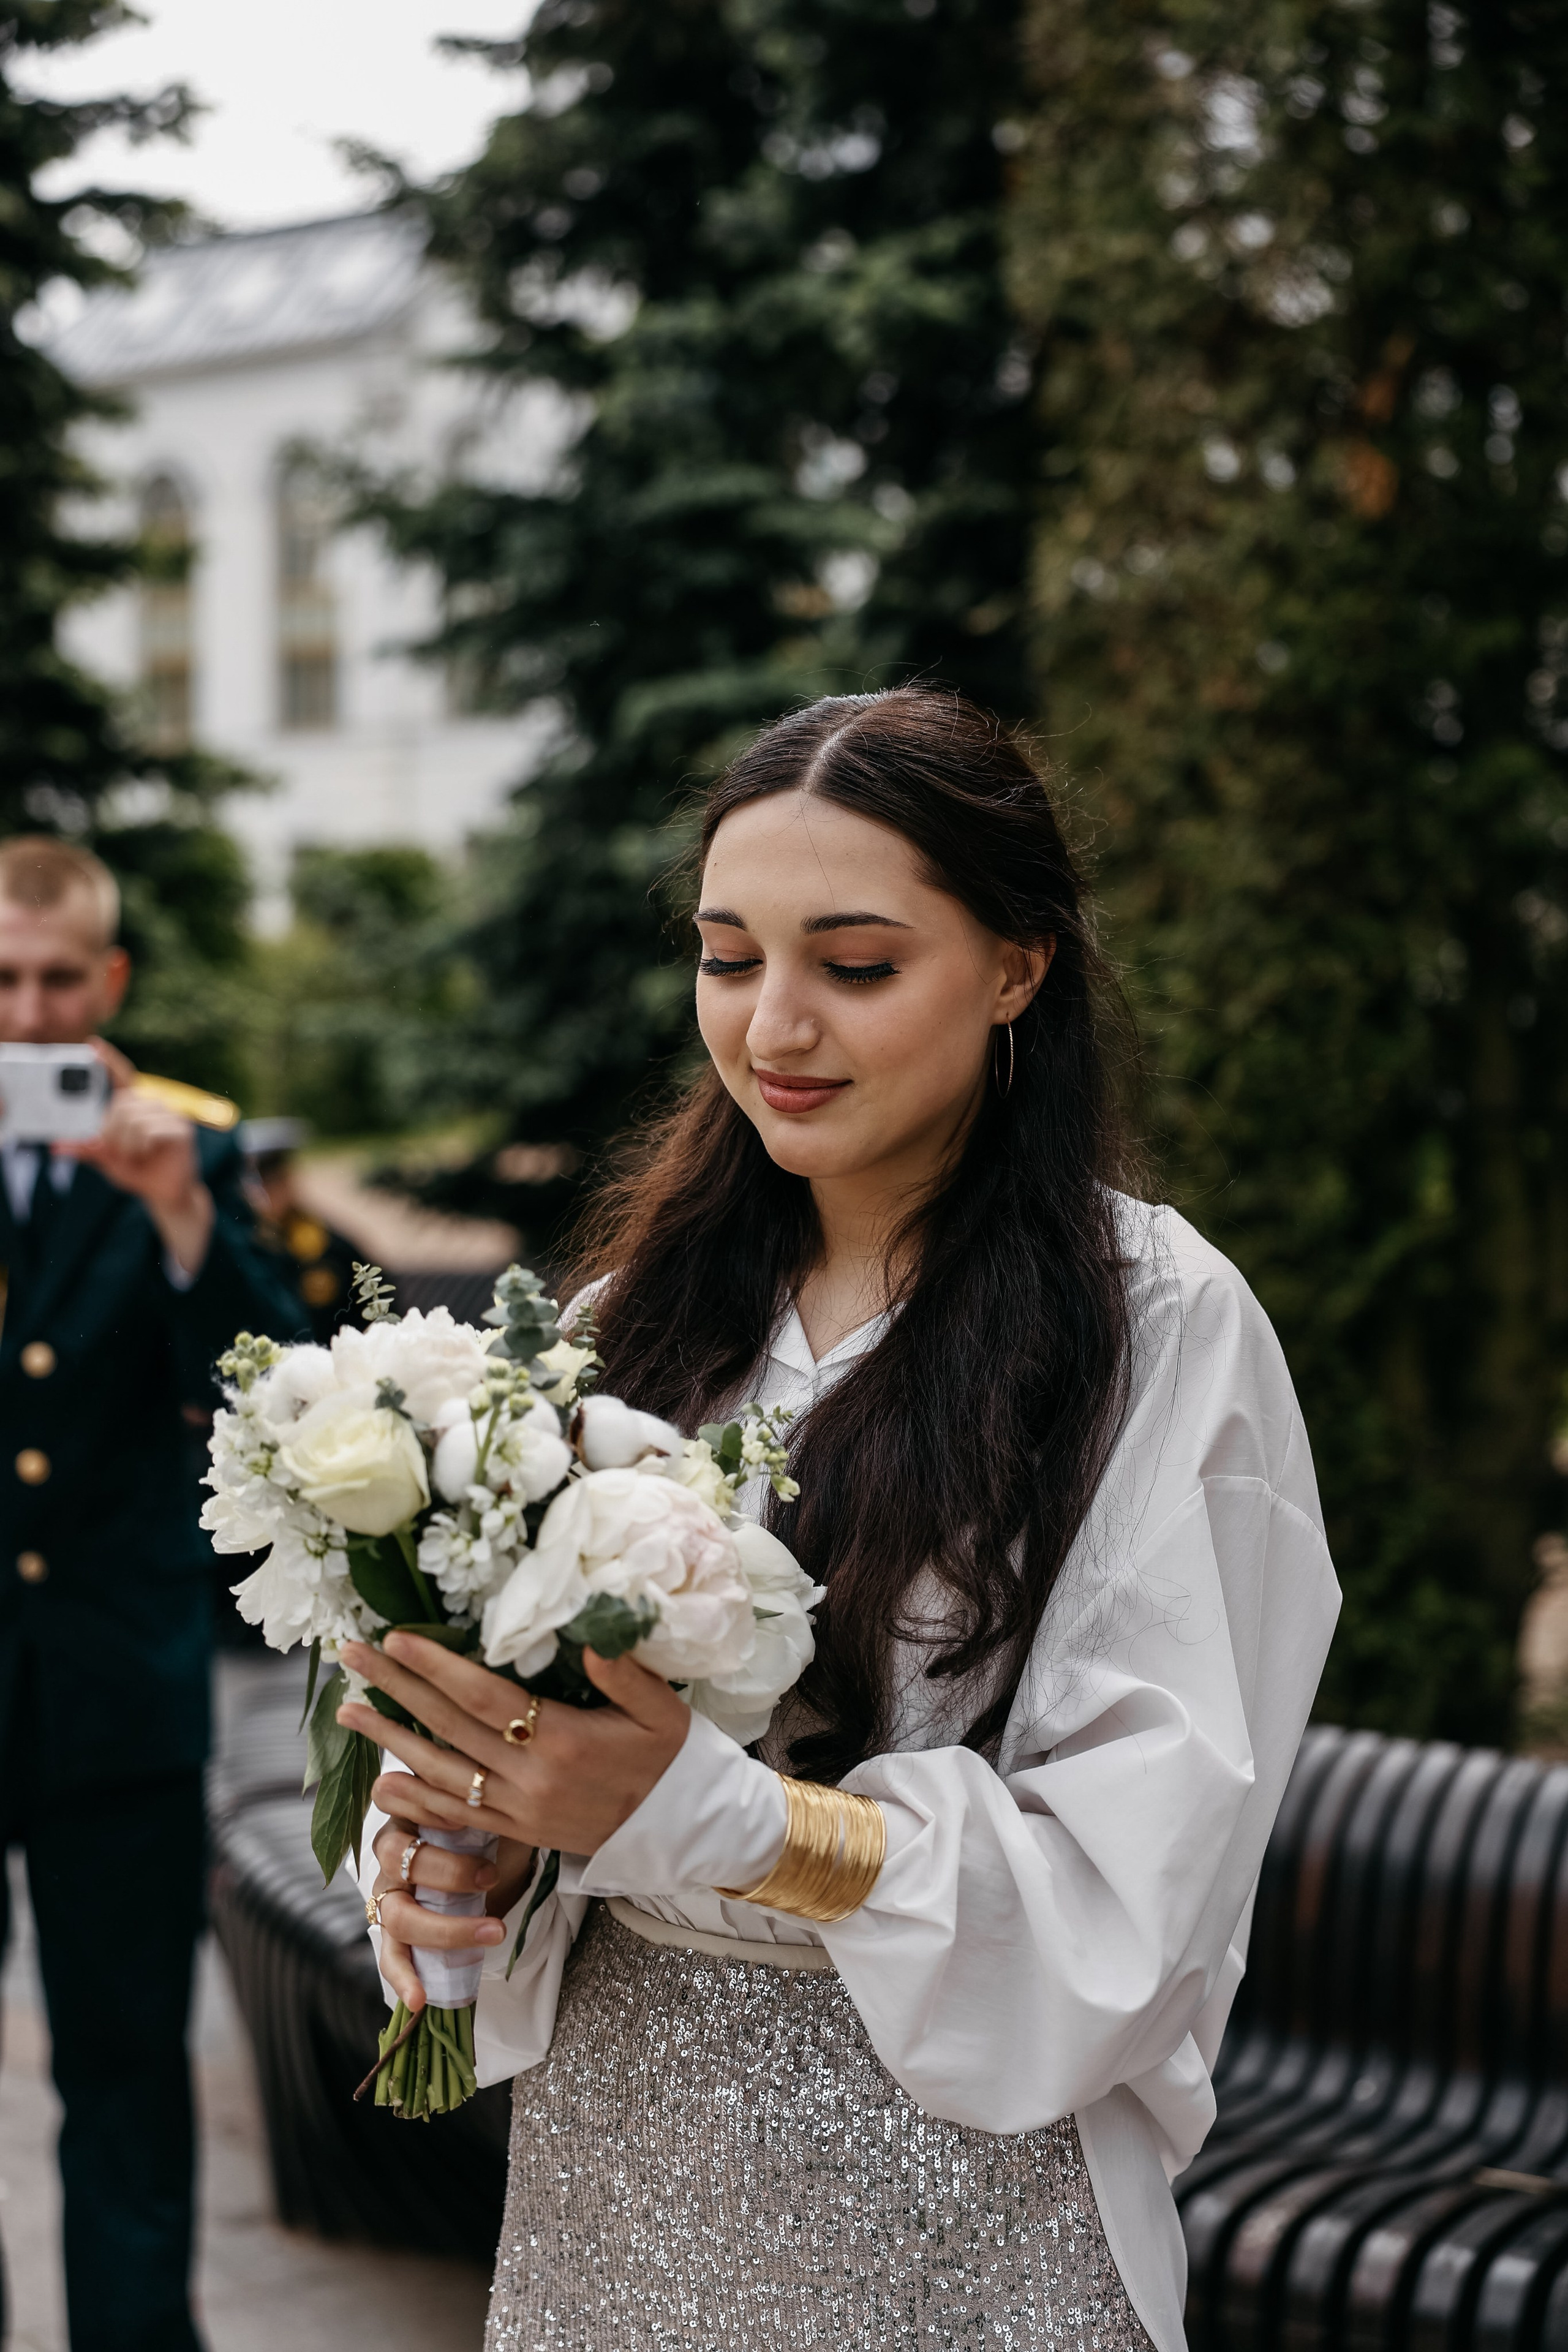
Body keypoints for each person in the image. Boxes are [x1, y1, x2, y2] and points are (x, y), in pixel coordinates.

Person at [339, 690, 1341, 2352]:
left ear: (1018, 967)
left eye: (856, 966)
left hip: (959, 2216)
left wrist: (720, 1818)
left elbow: (1137, 1887)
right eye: (731, 960)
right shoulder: (623, 1328)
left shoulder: (1156, 1324)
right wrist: (456, 1843)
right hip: (617, 2191)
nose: (776, 1027)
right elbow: (519, 1759)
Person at [0, 837, 300, 2352]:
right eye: (1, 979)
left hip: (118, 1681)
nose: (31, 1011)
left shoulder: (187, 1144)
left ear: (109, 981)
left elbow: (279, 1396)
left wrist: (183, 1213)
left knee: (123, 2063)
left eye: (59, 978)